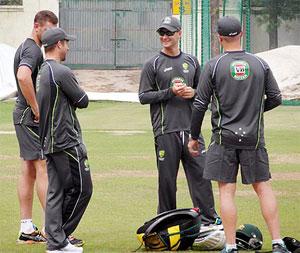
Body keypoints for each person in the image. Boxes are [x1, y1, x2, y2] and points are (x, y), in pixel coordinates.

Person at [188, 16, 289, 253]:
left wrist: (193, 136)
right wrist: (255, 111)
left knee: (226, 190)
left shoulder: (213, 65)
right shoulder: (259, 63)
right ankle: (278, 243)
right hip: (253, 138)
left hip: (224, 139)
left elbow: (199, 104)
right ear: (242, 33)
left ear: (219, 37)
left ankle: (231, 246)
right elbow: (275, 98)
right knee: (263, 187)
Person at [139, 16, 220, 226]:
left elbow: (204, 94)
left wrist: (192, 92)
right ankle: (166, 225)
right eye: (162, 33)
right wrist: (169, 92)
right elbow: (143, 96)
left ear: (179, 34)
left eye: (169, 33)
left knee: (202, 178)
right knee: (167, 182)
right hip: (166, 131)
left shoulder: (192, 61)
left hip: (191, 131)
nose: (165, 37)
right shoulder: (153, 64)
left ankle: (209, 222)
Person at [37, 27, 93, 253]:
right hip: (66, 141)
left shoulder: (43, 70)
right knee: (83, 189)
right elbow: (83, 100)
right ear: (59, 44)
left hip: (51, 141)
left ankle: (56, 243)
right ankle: (58, 239)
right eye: (66, 43)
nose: (68, 46)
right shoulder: (61, 71)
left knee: (56, 192)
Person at [13, 10, 58, 243]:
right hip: (28, 116)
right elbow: (23, 76)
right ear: (37, 26)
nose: (50, 36)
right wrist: (36, 107)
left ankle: (27, 229)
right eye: (48, 30)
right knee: (43, 165)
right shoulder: (31, 49)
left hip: (22, 115)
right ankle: (53, 230)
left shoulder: (25, 47)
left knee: (29, 170)